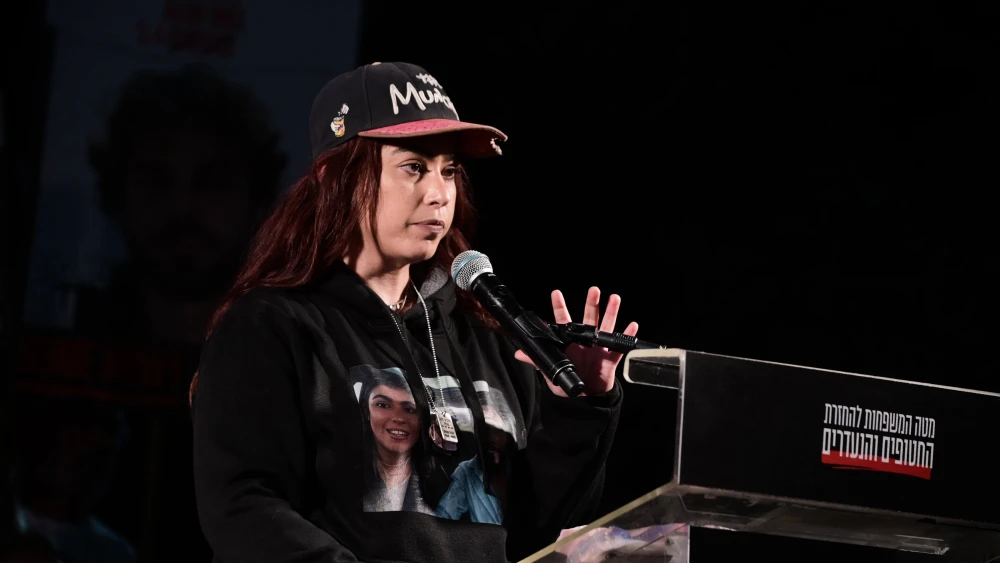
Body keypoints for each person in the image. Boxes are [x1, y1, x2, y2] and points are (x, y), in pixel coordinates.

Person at [190, 61, 639, 563]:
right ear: (334, 176)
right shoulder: (274, 325)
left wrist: (579, 410)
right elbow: (243, 507)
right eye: (413, 167)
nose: (440, 193)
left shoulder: (486, 336)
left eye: (448, 170)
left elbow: (538, 529)